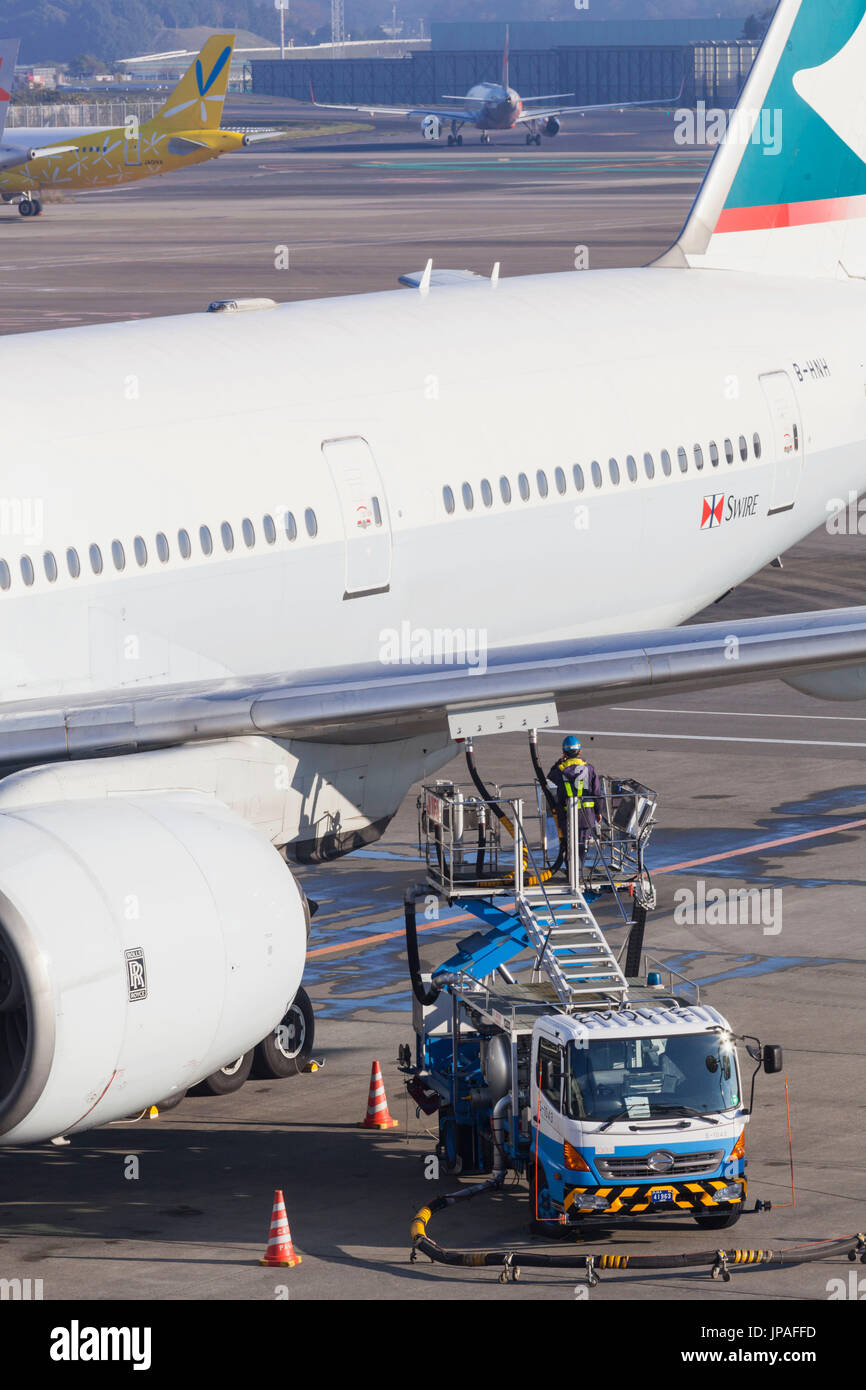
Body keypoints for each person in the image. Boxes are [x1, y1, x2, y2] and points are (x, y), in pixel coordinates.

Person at [547, 735, 603, 869]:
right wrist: (598, 812)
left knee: (568, 844)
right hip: (586, 815)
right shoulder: (589, 768)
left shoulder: (560, 769)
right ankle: (578, 872)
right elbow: (597, 793)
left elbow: (550, 776)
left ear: (564, 753)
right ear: (579, 751)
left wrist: (559, 762)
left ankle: (571, 872)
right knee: (581, 845)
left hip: (566, 814)